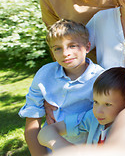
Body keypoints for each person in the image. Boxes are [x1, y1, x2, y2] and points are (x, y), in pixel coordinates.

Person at [18, 19, 104, 156]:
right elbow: (32, 120)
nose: (65, 53)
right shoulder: (44, 75)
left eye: (72, 46)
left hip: (88, 149)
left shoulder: (101, 78)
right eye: (57, 48)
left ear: (87, 47)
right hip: (50, 148)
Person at [38, 67, 125, 149]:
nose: (98, 111)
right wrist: (61, 146)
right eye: (96, 102)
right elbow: (46, 131)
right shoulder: (92, 118)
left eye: (107, 104)